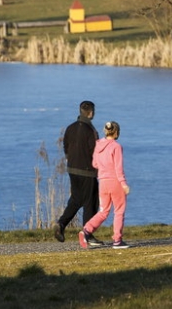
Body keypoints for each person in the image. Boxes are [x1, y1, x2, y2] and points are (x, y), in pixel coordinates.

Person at [53, 100, 104, 246]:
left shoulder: (70, 128)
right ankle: (87, 234)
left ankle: (61, 224)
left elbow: (66, 146)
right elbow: (94, 151)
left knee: (76, 199)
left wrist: (71, 159)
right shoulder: (90, 130)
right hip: (87, 171)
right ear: (91, 112)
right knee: (90, 202)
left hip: (72, 169)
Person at [79, 121, 131, 249]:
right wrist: (124, 184)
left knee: (103, 211)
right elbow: (118, 169)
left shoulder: (98, 145)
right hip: (115, 182)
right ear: (117, 132)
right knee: (119, 211)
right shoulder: (116, 147)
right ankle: (117, 240)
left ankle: (86, 230)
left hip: (102, 182)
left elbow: (95, 164)